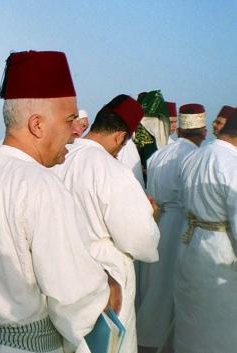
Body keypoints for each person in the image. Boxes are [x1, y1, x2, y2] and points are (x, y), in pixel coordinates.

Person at [0, 51, 112, 353]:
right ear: (37, 125)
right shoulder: (41, 186)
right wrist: (109, 291)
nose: (76, 132)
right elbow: (74, 298)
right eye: (70, 119)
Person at [52, 94, 160, 353]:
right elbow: (139, 239)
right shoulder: (112, 171)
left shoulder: (57, 159)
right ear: (120, 136)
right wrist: (150, 215)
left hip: (61, 268)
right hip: (106, 273)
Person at [136, 103, 207, 352]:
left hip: (158, 220)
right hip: (179, 223)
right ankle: (158, 340)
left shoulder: (161, 153)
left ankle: (146, 334)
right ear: (204, 132)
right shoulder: (193, 157)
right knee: (168, 285)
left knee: (152, 282)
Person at [173, 110, 237, 353]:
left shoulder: (195, 156)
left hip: (190, 245)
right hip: (220, 254)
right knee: (221, 329)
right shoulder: (231, 165)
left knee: (193, 321)